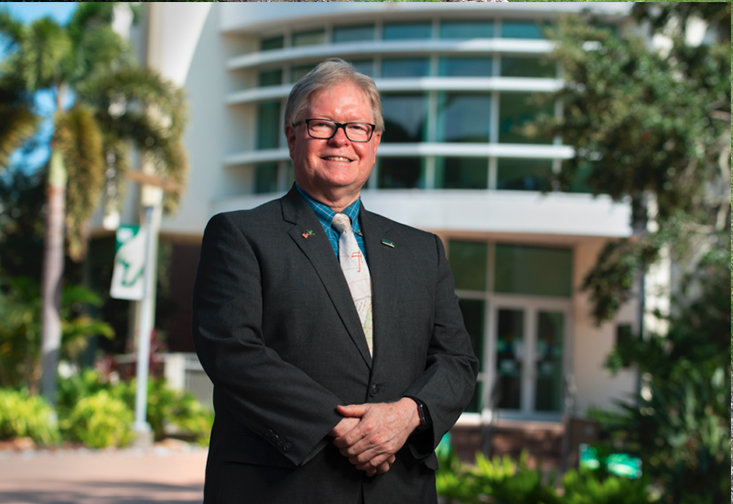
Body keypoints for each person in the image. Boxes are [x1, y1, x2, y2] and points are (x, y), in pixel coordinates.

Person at [192, 58, 478, 504]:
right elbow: (232, 351)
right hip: (281, 489)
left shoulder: (423, 251)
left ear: (375, 141)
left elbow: (457, 361)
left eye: (357, 127)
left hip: (397, 489)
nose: (340, 139)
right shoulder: (239, 235)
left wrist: (408, 414)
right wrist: (340, 425)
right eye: (322, 124)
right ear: (291, 135)